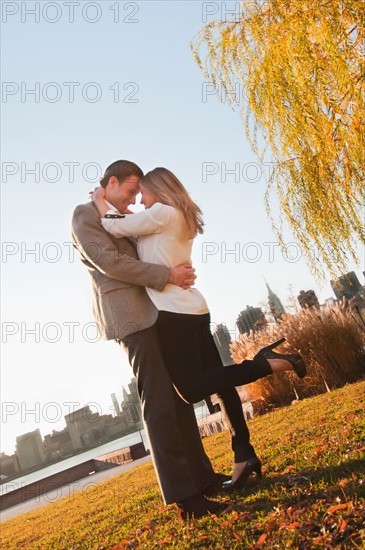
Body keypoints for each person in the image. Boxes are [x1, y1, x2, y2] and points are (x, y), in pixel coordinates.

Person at [92, 166, 307, 490]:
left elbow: (113, 225)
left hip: (175, 314)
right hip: (194, 309)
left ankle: (264, 363)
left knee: (189, 389)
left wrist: (99, 200)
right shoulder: (179, 215)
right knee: (220, 384)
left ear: (157, 189)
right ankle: (243, 454)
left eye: (142, 193)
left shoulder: (162, 212)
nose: (139, 200)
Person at [71, 160, 231, 521]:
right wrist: (168, 274)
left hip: (159, 311)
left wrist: (175, 269)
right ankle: (183, 497)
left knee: (178, 400)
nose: (133, 199)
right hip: (130, 319)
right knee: (158, 404)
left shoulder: (120, 215)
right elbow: (110, 262)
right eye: (129, 191)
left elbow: (152, 244)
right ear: (111, 183)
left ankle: (203, 478)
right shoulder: (84, 216)